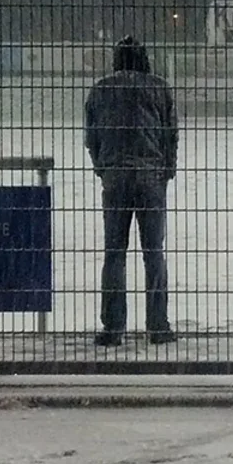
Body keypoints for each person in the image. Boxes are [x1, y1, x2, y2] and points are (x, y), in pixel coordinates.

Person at [85, 36, 178, 347]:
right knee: (154, 253)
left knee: (115, 253)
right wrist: (166, 169)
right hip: (151, 176)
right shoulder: (159, 87)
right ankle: (158, 325)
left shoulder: (100, 89)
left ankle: (113, 327)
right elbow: (170, 134)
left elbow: (92, 136)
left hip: (115, 176)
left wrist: (103, 166)